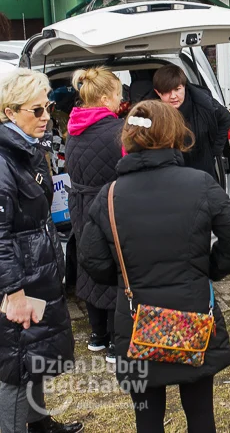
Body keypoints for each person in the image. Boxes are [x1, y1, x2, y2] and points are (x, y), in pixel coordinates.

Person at [79, 100, 230, 433]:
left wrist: (123, 277)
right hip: (192, 312)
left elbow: (92, 259)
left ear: (128, 138)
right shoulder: (199, 184)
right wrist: (209, 269)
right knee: (201, 412)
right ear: (174, 134)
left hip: (135, 315)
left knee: (147, 417)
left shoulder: (109, 195)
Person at [0, 69, 81, 433]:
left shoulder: (28, 150)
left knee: (34, 354)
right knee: (15, 364)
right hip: (19, 281)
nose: (46, 116)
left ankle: (38, 422)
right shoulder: (4, 160)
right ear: (10, 111)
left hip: (37, 272)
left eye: (47, 107)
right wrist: (13, 293)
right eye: (36, 110)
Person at [67, 67, 124, 364]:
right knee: (116, 267)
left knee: (89, 265)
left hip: (79, 204)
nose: (120, 102)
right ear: (104, 98)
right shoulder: (118, 131)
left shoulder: (73, 127)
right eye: (117, 96)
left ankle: (97, 335)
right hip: (109, 204)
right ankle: (116, 342)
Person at [152, 64, 230, 181]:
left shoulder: (203, 104)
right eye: (167, 92)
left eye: (177, 89)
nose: (173, 96)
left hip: (202, 170)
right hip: (171, 175)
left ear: (184, 86)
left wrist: (215, 150)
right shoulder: (152, 113)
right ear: (158, 92)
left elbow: (225, 117)